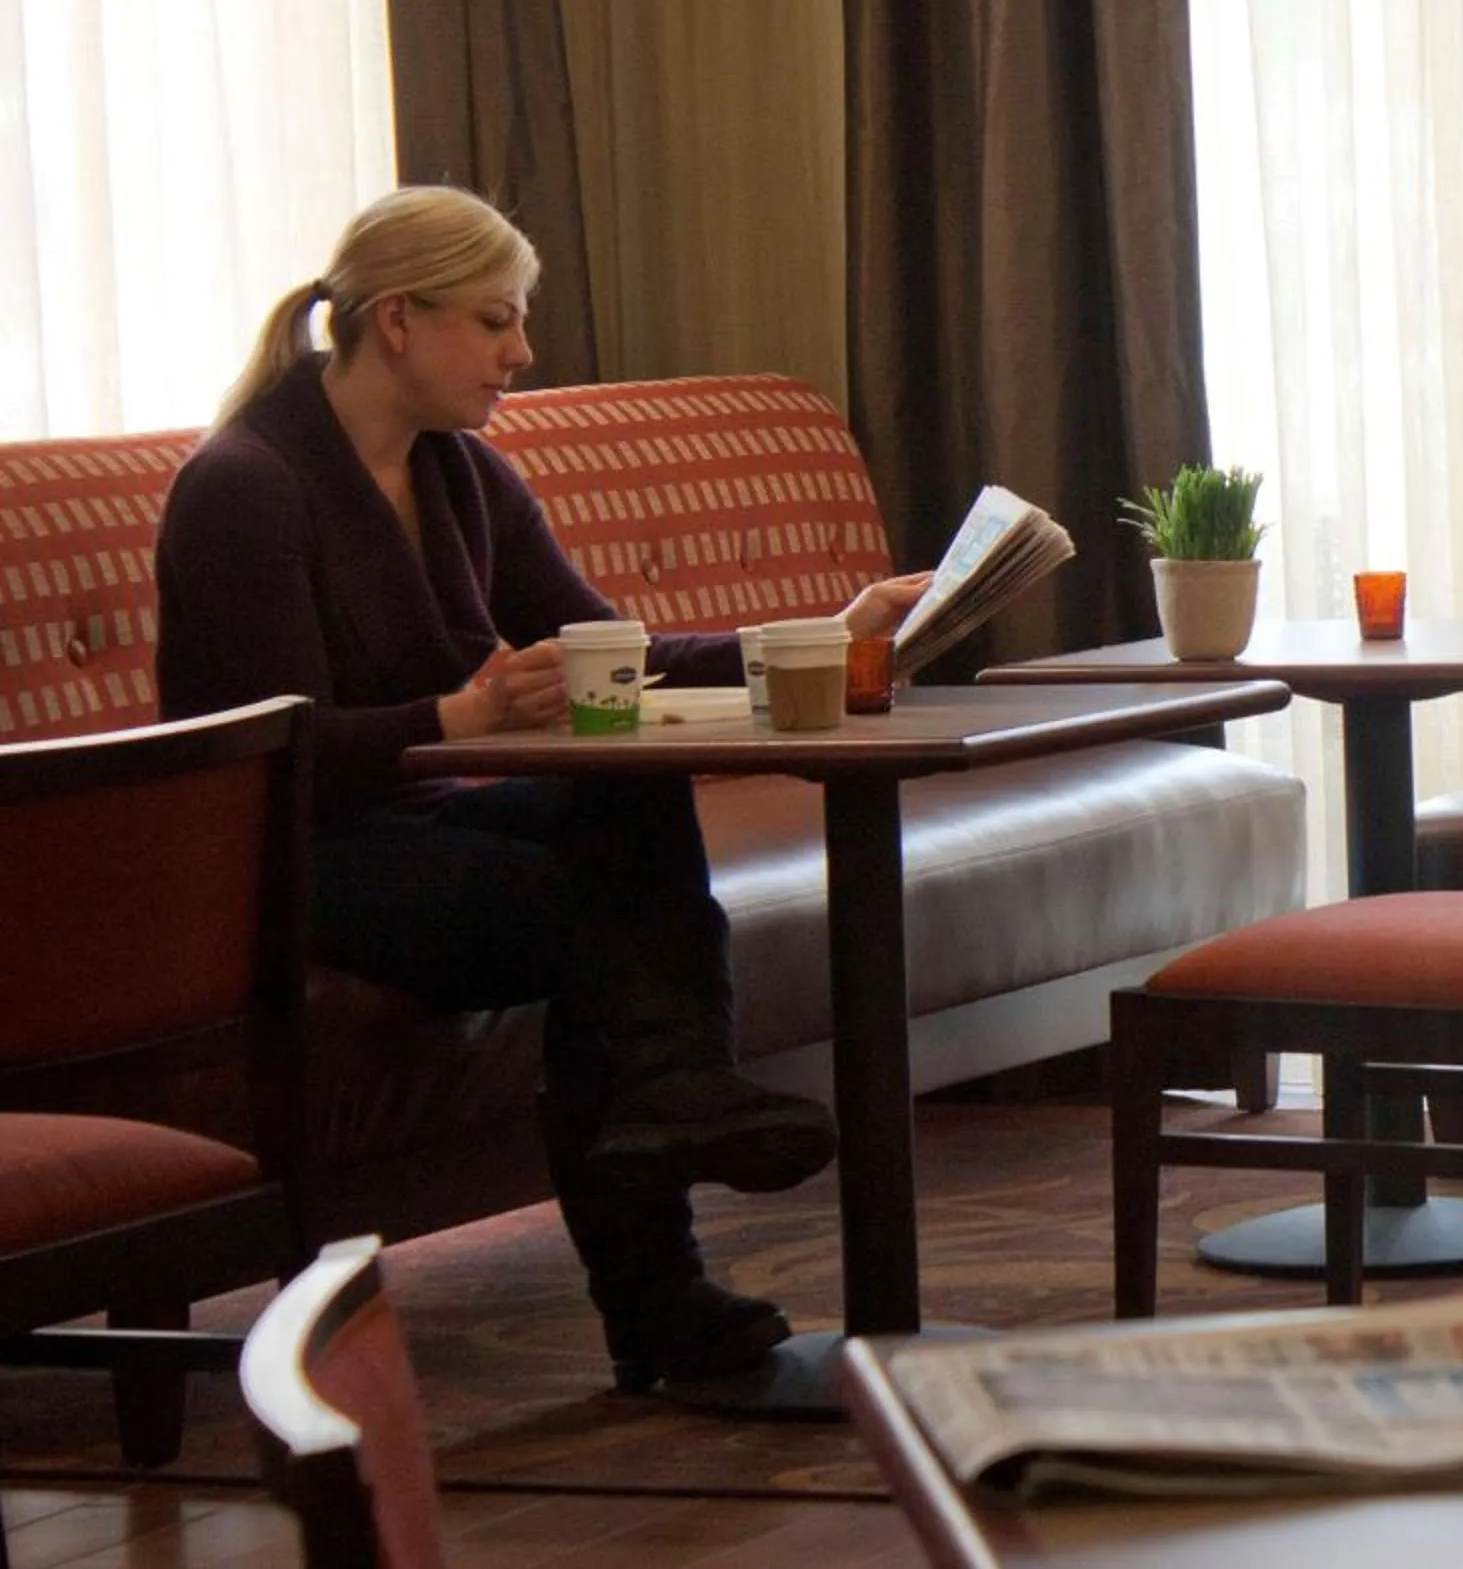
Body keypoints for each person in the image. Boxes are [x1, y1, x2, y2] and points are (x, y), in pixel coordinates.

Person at [156, 185, 930, 1390]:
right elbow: (270, 756)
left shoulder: (459, 472)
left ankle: (673, 1120)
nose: (521, 354)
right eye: (497, 321)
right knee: (600, 917)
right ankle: (662, 1270)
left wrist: (824, 632)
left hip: (414, 819)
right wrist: (455, 718)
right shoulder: (246, 486)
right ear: (399, 320)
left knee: (625, 804)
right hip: (290, 862)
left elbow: (607, 650)